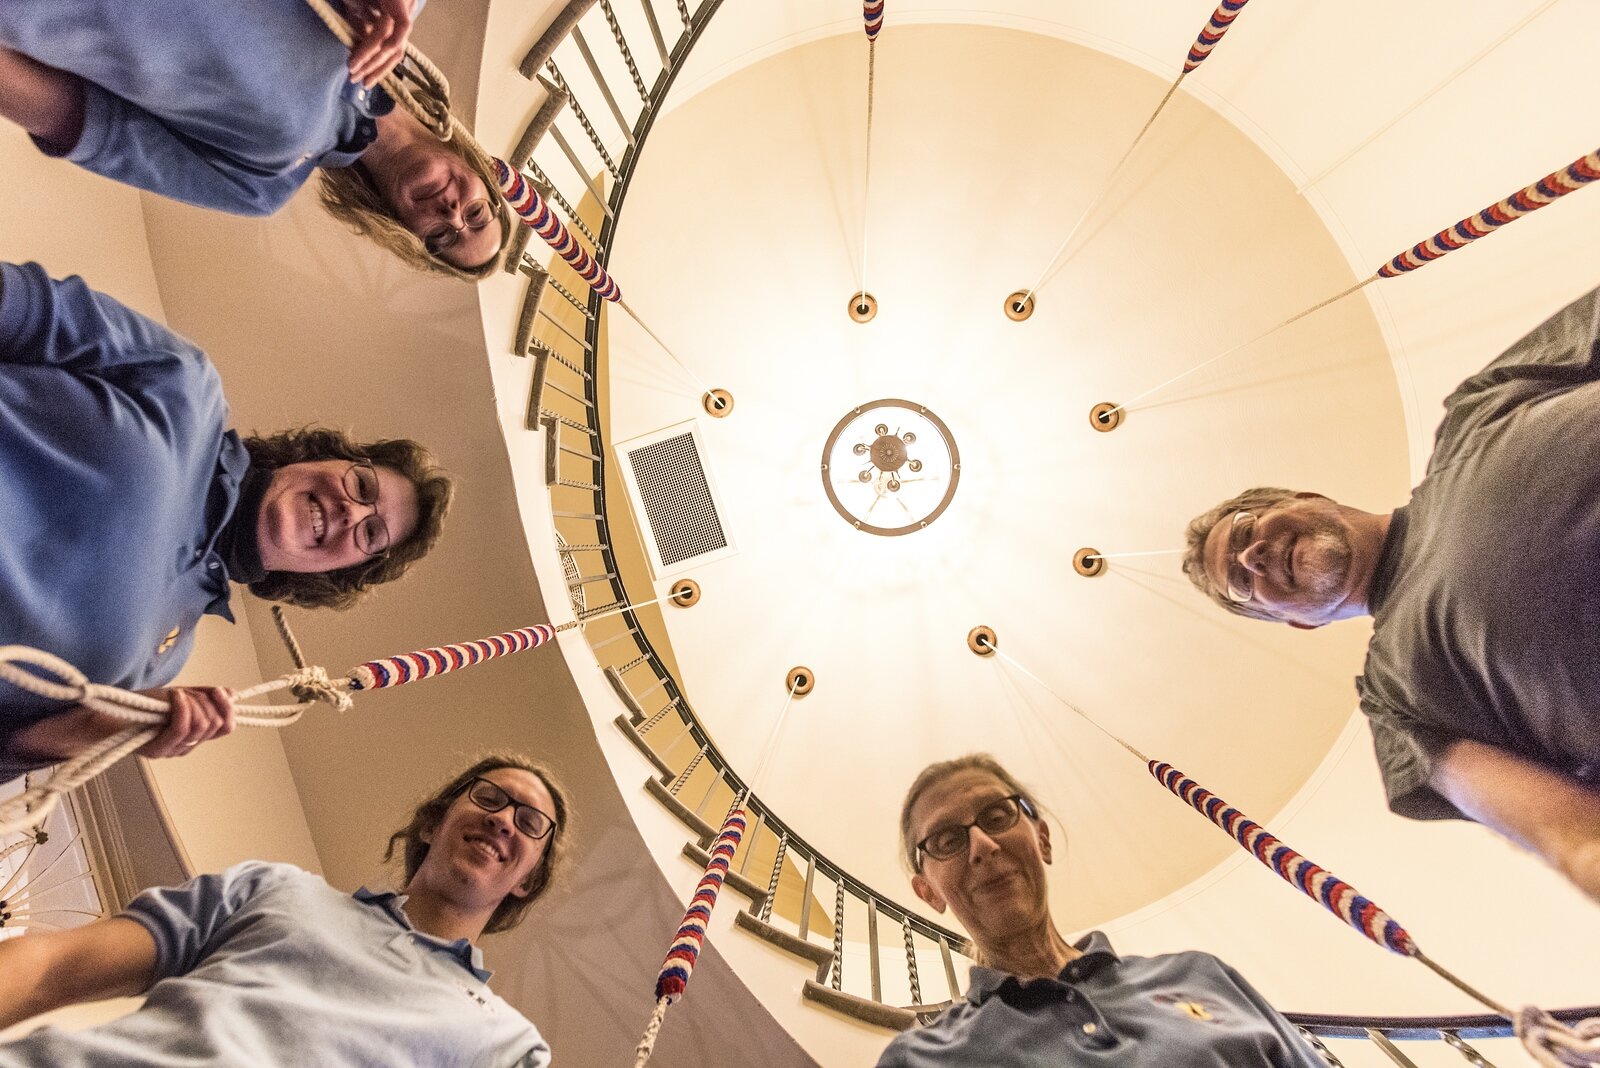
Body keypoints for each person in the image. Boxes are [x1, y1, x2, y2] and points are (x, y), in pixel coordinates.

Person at [1182, 285, 1600, 903]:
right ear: (1299, 623)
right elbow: (1573, 837)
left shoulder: (1478, 408)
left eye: (1246, 531)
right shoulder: (1396, 704)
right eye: (1244, 583)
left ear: (1308, 498)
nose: (1252, 557)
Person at [0, 260, 453, 781]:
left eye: (371, 534)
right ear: (324, 455)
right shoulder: (186, 383)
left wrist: (96, 732)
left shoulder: (163, 661)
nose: (352, 510)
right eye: (363, 485)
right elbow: (22, 306)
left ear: (338, 573)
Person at [0, 753, 569, 1066]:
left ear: (527, 881)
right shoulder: (276, 888)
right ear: (431, 821)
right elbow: (55, 967)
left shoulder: (507, 1043)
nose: (502, 819)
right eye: (489, 798)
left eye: (529, 823)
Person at [0, 0, 510, 281]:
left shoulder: (264, 186)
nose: (452, 214)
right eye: (477, 214)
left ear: (403, 232)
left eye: (442, 237)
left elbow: (84, 122)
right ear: (482, 176)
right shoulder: (397, 12)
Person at [879, 754, 1324, 1067]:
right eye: (945, 841)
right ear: (928, 892)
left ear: (1043, 839)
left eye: (997, 816)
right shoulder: (921, 1059)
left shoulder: (1199, 975)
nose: (982, 846)